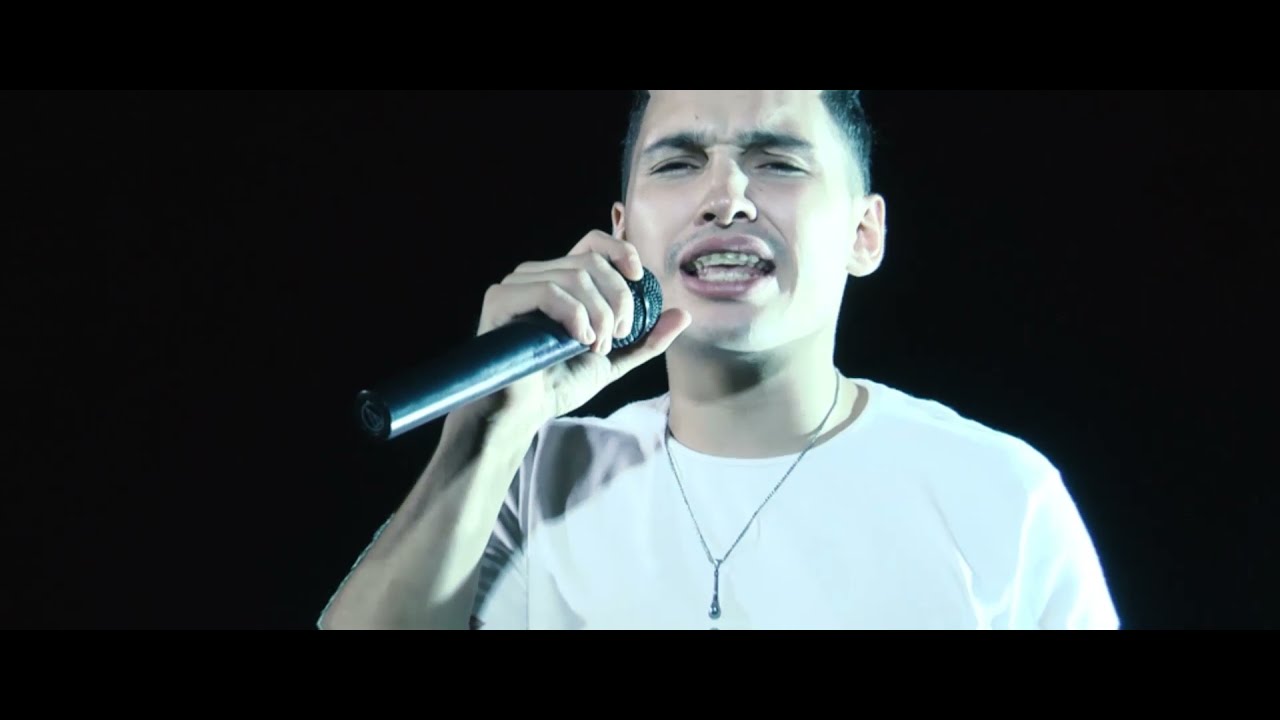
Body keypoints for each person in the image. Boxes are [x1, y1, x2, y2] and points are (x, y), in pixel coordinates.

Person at [317, 90, 1121, 630]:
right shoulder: (539, 479)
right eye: (678, 163)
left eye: (778, 162)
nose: (726, 197)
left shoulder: (1000, 493)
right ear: (623, 232)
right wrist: (485, 433)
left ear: (864, 233)